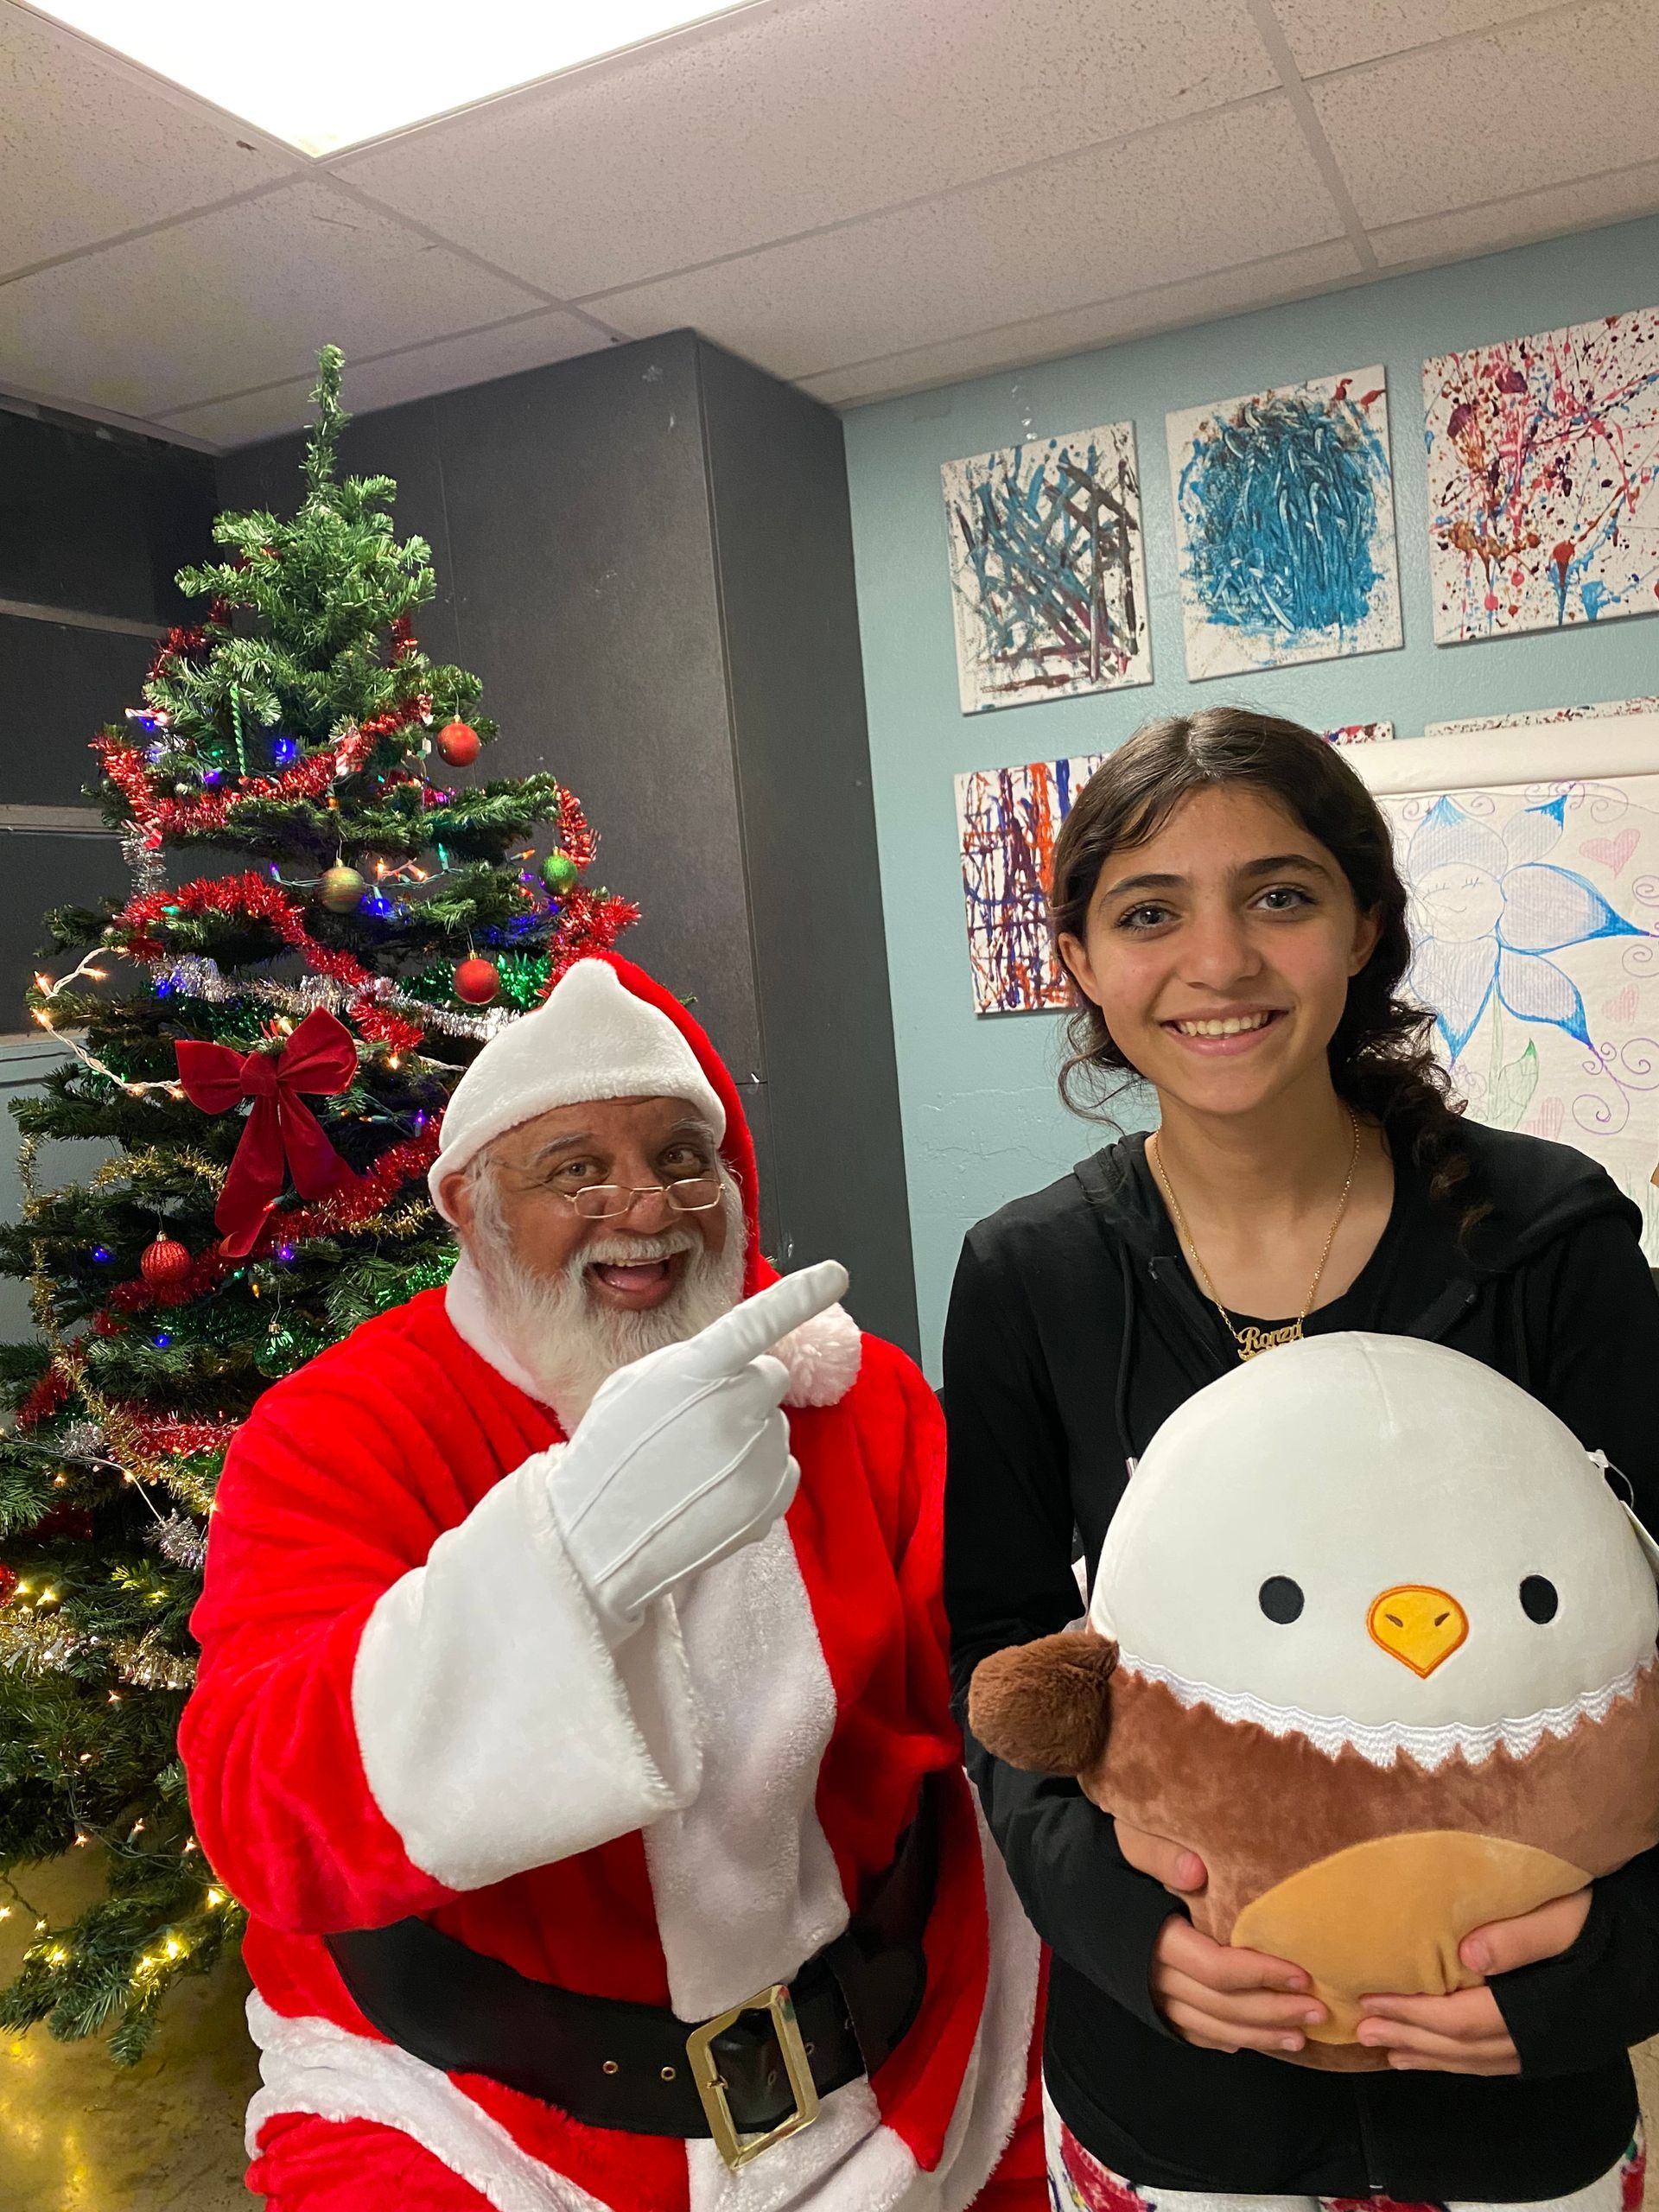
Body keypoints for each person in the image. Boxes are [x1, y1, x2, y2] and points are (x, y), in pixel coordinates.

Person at [181, 951, 1044, 2212]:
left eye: (684, 1159)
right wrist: (570, 1558)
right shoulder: (342, 1432)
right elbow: (268, 1821)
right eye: (575, 1169)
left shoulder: (858, 1398)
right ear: (469, 1208)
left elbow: (990, 1692)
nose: (645, 1209)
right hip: (477, 2116)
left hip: (912, 2067)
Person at [943, 709, 1659, 2210]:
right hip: (1180, 2106)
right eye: (1149, 914)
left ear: (1362, 928)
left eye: (1279, 896)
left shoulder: (1544, 1240)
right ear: (1078, 960)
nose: (1219, 964)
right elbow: (1001, 1663)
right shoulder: (1031, 1276)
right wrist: (1128, 1940)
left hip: (1514, 2098)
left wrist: (1617, 1958)